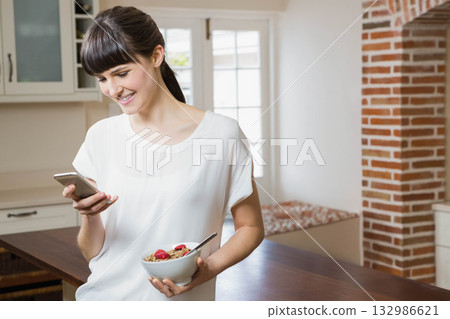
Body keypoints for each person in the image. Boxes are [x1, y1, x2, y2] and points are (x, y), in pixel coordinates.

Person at [62, 6, 264, 301]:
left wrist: (209, 269)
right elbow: (92, 251)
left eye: (121, 73)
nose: (112, 89)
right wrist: (90, 217)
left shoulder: (222, 135)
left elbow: (251, 227)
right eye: (102, 78)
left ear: (156, 56)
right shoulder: (100, 137)